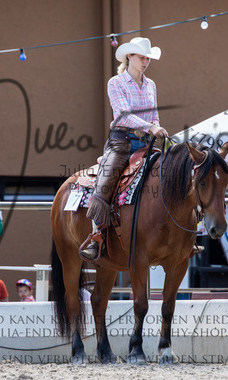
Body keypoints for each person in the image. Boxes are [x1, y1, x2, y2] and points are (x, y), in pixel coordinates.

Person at [79, 37, 168, 261]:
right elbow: (123, 115)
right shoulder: (116, 83)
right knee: (106, 181)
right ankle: (97, 235)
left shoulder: (151, 85)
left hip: (146, 143)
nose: (145, 62)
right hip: (122, 142)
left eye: (148, 58)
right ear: (129, 56)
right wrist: (151, 127)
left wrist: (157, 128)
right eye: (141, 57)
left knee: (171, 175)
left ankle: (177, 235)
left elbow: (154, 115)